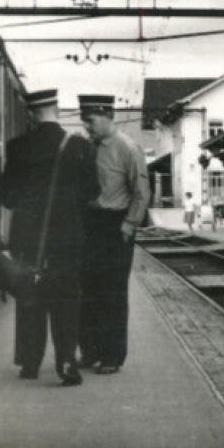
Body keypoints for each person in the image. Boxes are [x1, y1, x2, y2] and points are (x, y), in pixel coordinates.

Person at [0, 89, 98, 385]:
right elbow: (93, 193)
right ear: (57, 109)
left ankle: (30, 363)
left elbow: (6, 197)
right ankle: (67, 362)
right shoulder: (79, 146)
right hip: (67, 238)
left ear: (31, 114)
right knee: (66, 298)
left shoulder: (17, 147)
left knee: (31, 295)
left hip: (28, 239)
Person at [78, 94, 151, 373]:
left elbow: (141, 192)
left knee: (111, 292)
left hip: (115, 226)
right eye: (84, 121)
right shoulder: (87, 147)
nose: (87, 127)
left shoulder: (127, 148)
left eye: (91, 121)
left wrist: (129, 224)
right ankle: (89, 351)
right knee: (87, 290)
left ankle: (111, 355)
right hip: (89, 223)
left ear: (109, 117)